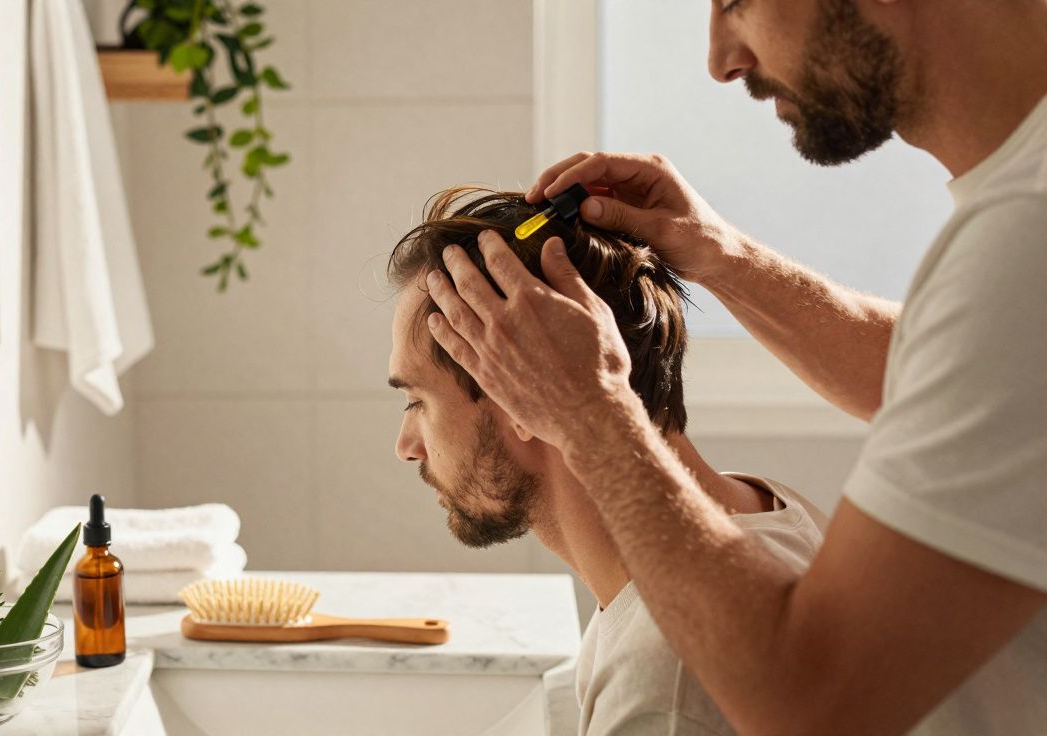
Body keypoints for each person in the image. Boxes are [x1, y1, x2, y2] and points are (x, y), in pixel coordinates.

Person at [421, 1, 1047, 733]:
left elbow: (811, 703)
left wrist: (591, 413)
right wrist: (726, 258)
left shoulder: (1024, 241)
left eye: (736, 2)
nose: (722, 60)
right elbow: (954, 376)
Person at [387, 186, 829, 735]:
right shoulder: (773, 512)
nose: (407, 444)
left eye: (416, 402)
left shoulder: (666, 679)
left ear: (520, 392)